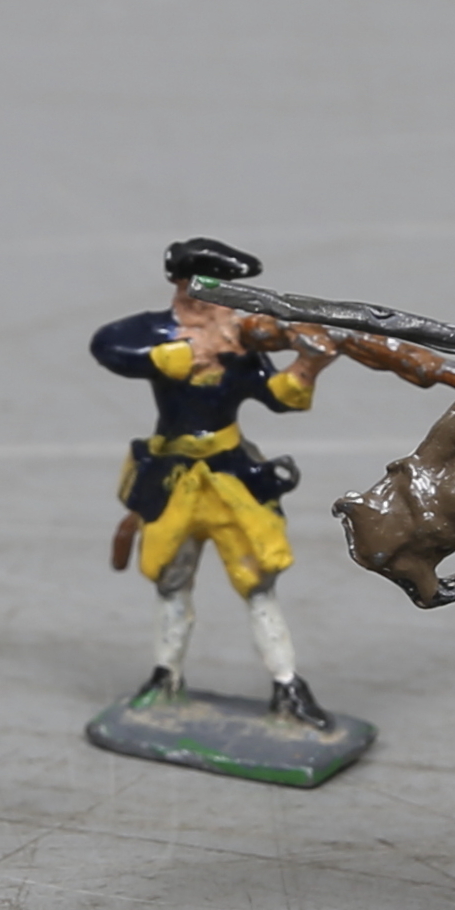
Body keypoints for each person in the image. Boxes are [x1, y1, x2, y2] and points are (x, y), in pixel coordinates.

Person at [91, 236, 337, 728]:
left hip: (231, 479)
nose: (217, 304)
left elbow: (277, 397)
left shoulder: (240, 344)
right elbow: (107, 345)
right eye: (205, 291)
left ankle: (287, 684)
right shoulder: (159, 331)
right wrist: (181, 355)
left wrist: (308, 365)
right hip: (173, 480)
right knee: (170, 582)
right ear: (183, 286)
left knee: (258, 584)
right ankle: (165, 675)